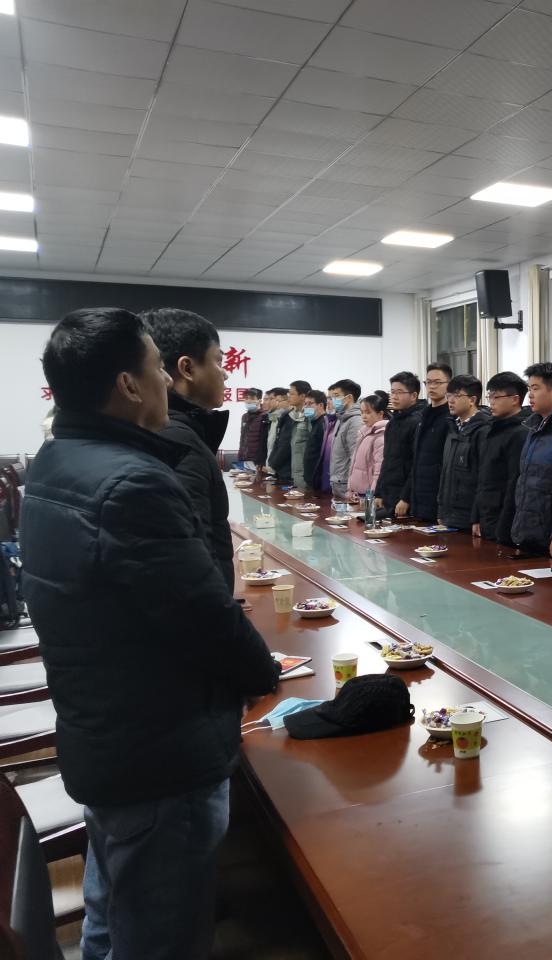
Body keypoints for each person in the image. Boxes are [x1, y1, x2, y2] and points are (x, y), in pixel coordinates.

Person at [21, 308, 279, 960]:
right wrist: (263, 673)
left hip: (105, 732)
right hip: (160, 751)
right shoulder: (132, 483)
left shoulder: (57, 460)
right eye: (157, 368)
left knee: (112, 912)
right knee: (161, 937)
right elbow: (202, 614)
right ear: (129, 385)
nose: (167, 380)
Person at [140, 308, 235, 592]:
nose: (225, 373)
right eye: (218, 361)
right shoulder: (178, 441)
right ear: (187, 368)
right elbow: (191, 565)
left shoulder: (163, 429)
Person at [509, 362, 552, 556]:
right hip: (527, 533)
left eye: (536, 388)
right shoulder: (534, 427)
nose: (530, 395)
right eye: (529, 388)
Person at [472, 371, 530, 542]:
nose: (491, 402)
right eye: (490, 396)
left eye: (496, 397)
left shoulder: (520, 433)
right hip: (486, 515)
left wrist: (503, 529)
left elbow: (514, 483)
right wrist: (476, 516)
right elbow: (482, 478)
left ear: (515, 399)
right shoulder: (491, 429)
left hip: (503, 520)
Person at [437, 374, 492, 529]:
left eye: (456, 395)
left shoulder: (484, 430)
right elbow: (445, 473)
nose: (450, 400)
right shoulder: (453, 428)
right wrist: (441, 510)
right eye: (449, 395)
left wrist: (477, 517)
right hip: (449, 515)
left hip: (469, 517)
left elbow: (483, 478)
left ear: (472, 400)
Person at [375, 371, 426, 520]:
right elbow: (387, 459)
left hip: (405, 497)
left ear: (413, 396)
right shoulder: (393, 422)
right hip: (389, 492)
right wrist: (379, 492)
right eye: (392, 392)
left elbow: (416, 464)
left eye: (399, 392)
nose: (394, 397)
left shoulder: (418, 421)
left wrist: (405, 497)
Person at [408, 363, 452, 522]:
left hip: (438, 495)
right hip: (419, 494)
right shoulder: (422, 415)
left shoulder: (450, 417)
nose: (432, 386)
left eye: (437, 382)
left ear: (449, 384)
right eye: (428, 382)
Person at [266, 380, 309, 486]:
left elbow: (288, 445)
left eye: (292, 394)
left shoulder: (308, 417)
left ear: (302, 396)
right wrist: (272, 462)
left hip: (295, 469)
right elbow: (279, 441)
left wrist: (274, 463)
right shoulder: (288, 415)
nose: (289, 396)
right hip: (282, 469)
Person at [347, 392, 388, 501]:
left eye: (368, 412)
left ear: (380, 414)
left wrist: (373, 495)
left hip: (369, 496)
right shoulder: (363, 432)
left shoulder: (381, 436)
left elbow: (379, 471)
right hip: (357, 495)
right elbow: (354, 464)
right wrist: (350, 488)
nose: (364, 416)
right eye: (362, 412)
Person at [326, 378, 362, 499]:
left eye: (336, 396)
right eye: (332, 397)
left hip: (346, 485)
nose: (333, 400)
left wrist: (351, 486)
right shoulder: (341, 417)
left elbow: (355, 457)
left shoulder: (356, 420)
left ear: (349, 397)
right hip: (338, 482)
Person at [299, 388, 328, 493]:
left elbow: (324, 455)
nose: (306, 407)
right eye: (305, 404)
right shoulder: (315, 423)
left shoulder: (323, 424)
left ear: (320, 405)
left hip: (318, 480)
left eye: (310, 404)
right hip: (311, 478)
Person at [236, 387, 265, 465]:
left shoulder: (264, 416)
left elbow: (265, 442)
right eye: (246, 398)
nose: (248, 401)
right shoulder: (244, 417)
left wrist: (260, 462)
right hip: (244, 459)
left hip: (257, 461)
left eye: (252, 398)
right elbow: (242, 438)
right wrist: (240, 457)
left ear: (260, 400)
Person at [263, 386, 288, 463]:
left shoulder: (285, 419)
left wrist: (273, 464)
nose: (268, 402)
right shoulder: (272, 418)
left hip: (278, 465)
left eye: (271, 399)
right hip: (271, 462)